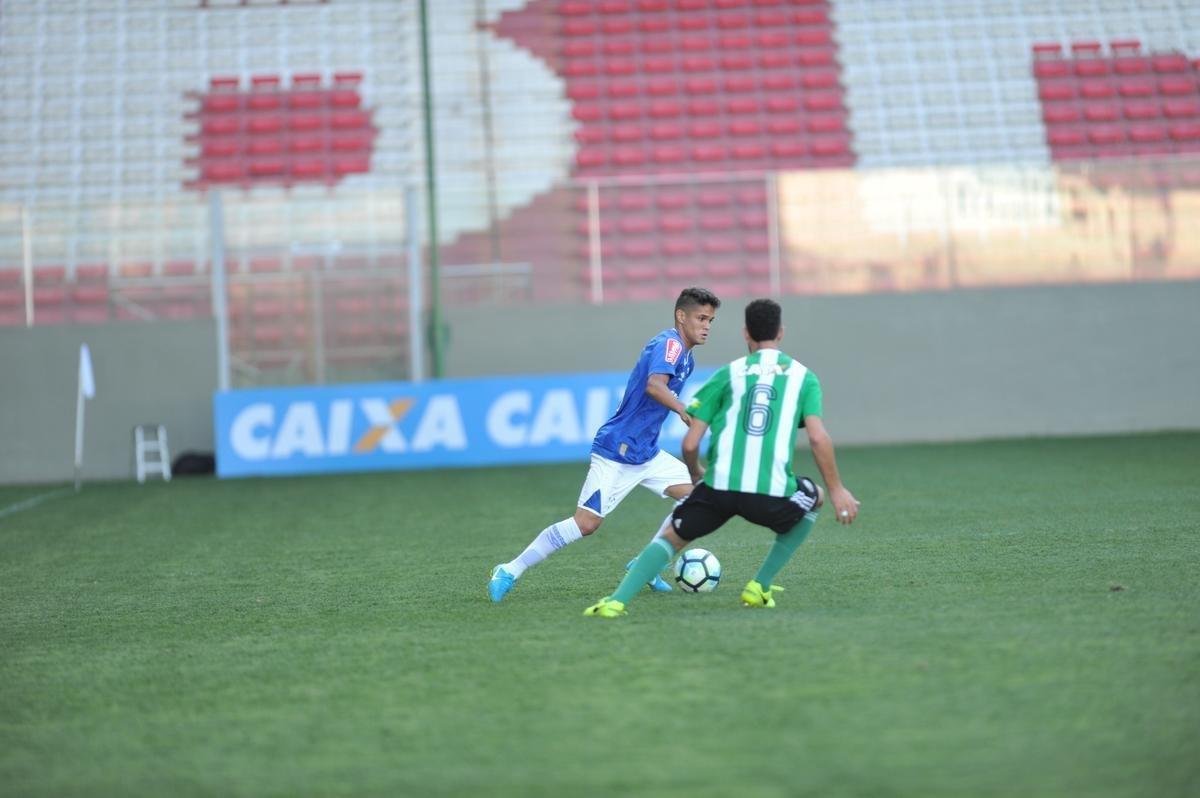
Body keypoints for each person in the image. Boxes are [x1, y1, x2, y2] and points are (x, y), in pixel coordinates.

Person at [584, 297, 859, 618]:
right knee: (816, 498)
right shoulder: (803, 378)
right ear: (780, 333)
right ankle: (760, 585)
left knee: (673, 538)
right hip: (770, 492)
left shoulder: (727, 374)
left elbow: (690, 443)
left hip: (720, 487)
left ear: (746, 334)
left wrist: (697, 474)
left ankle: (616, 602)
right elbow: (816, 436)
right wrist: (838, 488)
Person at [488, 287, 722, 602]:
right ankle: (510, 569)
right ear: (682, 316)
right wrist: (682, 409)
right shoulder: (670, 344)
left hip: (646, 454)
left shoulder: (686, 357)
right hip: (617, 452)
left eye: (711, 320)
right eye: (701, 318)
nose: (706, 325)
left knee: (699, 499)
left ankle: (646, 564)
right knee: (586, 524)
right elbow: (655, 386)